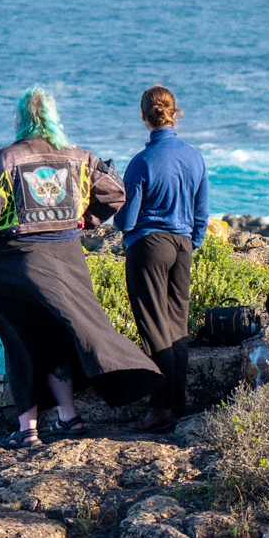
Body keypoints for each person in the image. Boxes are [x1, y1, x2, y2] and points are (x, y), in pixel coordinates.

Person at [0, 88, 162, 451]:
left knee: (21, 340)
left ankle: (28, 430)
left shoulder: (6, 159)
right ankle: (68, 416)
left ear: (21, 119)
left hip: (18, 263)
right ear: (54, 117)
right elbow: (115, 193)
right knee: (60, 336)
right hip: (68, 258)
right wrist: (87, 220)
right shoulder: (79, 158)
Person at [115, 84, 210, 434]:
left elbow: (127, 218)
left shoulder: (142, 162)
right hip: (183, 243)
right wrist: (191, 242)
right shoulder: (194, 156)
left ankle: (160, 407)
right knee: (176, 326)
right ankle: (176, 402)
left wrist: (118, 224)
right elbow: (202, 213)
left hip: (149, 245)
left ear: (144, 117)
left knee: (154, 327)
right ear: (174, 113)